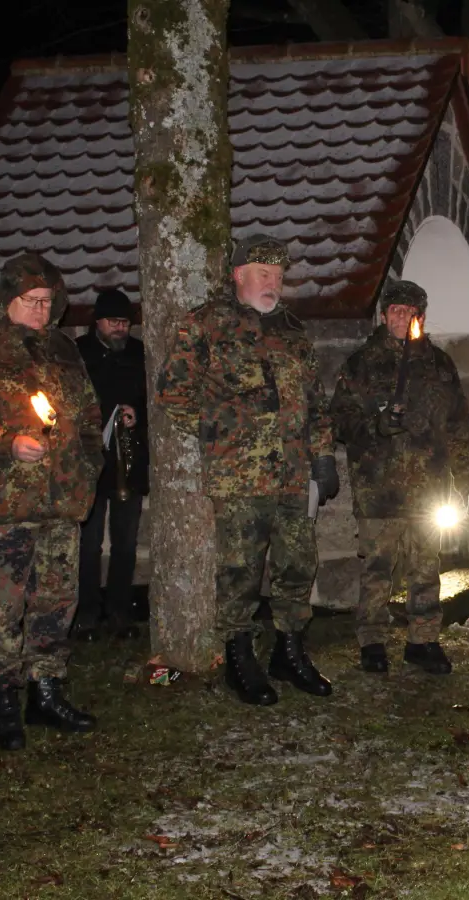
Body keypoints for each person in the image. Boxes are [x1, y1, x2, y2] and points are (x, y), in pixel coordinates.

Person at [155, 234, 338, 706]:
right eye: (263, 273)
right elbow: (173, 392)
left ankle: (289, 651)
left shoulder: (293, 332)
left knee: (297, 564)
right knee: (239, 569)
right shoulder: (207, 325)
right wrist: (222, 432)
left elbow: (316, 404)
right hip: (239, 476)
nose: (272, 283)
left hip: (294, 475)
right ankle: (239, 658)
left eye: (278, 276)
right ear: (239, 275)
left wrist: (322, 456)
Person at [0, 253, 103, 751]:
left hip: (62, 500)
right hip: (7, 502)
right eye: (32, 302)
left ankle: (46, 690)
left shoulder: (64, 351)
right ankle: (4, 700)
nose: (41, 311)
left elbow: (89, 413)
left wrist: (90, 464)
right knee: (5, 605)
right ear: (7, 299)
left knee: (57, 600)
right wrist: (5, 440)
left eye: (49, 302)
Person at [328, 279, 469, 674]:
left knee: (426, 567)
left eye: (410, 311)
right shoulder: (362, 364)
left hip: (429, 489)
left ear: (421, 317)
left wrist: (465, 479)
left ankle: (423, 640)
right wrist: (377, 426)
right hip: (380, 488)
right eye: (395, 310)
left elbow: (458, 426)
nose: (402, 317)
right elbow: (340, 420)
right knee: (378, 568)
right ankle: (372, 641)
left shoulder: (439, 365)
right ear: (384, 315)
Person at [74, 288, 148, 642]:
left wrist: (139, 413)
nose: (120, 328)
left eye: (125, 322)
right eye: (113, 322)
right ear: (98, 322)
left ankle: (119, 612)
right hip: (89, 465)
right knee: (87, 545)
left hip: (127, 465)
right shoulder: (79, 355)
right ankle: (86, 613)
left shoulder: (139, 354)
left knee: (126, 543)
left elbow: (154, 397)